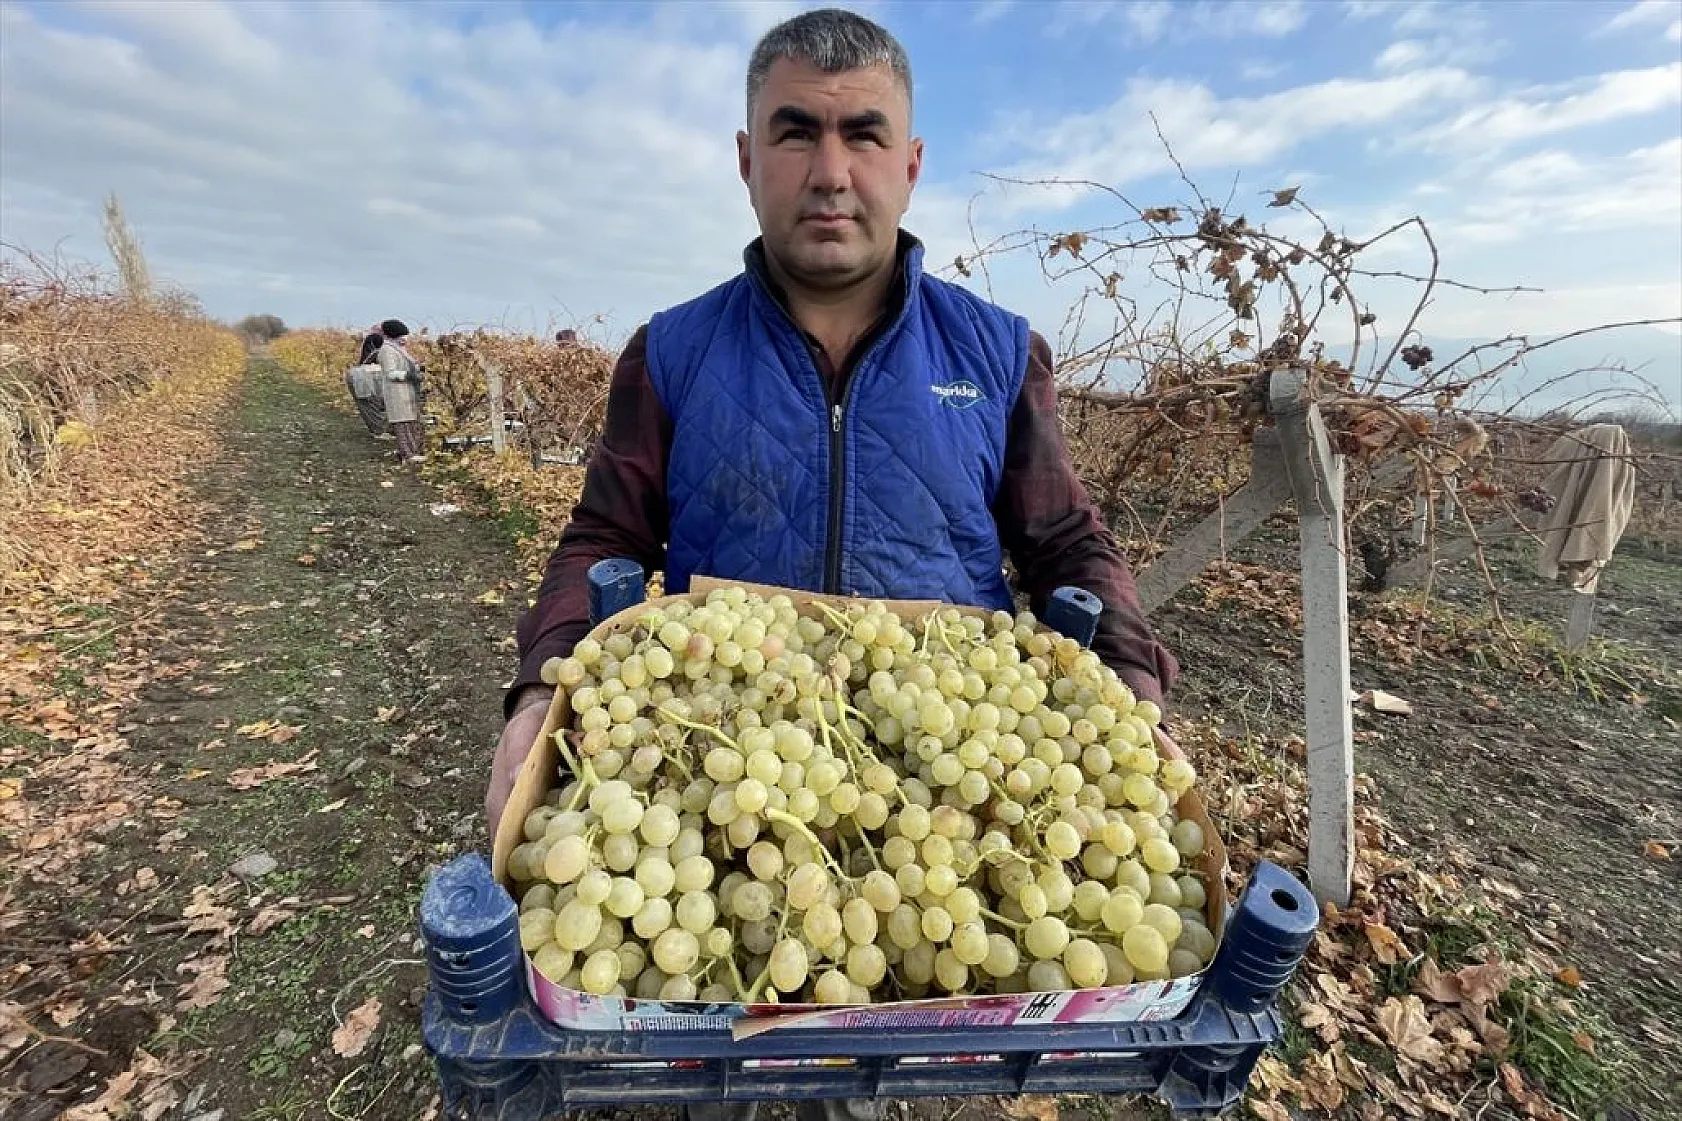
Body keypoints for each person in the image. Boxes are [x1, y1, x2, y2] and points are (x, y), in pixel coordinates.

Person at [489, 12, 1181, 1117]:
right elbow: (605, 540)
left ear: (909, 166)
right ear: (744, 159)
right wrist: (541, 685)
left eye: (863, 134)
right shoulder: (671, 350)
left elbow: (1066, 544)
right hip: (730, 810)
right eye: (794, 131)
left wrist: (1131, 684)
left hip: (949, 814)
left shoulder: (998, 355)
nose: (829, 170)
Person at [376, 318, 425, 462]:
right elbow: (390, 373)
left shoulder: (397, 348)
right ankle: (408, 454)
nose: (405, 338)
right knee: (402, 424)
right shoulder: (387, 350)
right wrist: (409, 375)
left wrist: (418, 368)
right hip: (397, 392)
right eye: (402, 335)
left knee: (410, 422)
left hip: (405, 391)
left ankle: (411, 452)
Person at [344, 326, 390, 438]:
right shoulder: (381, 345)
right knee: (375, 404)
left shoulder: (371, 341)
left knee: (368, 407)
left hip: (360, 376)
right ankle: (380, 431)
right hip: (370, 376)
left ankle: (377, 430)